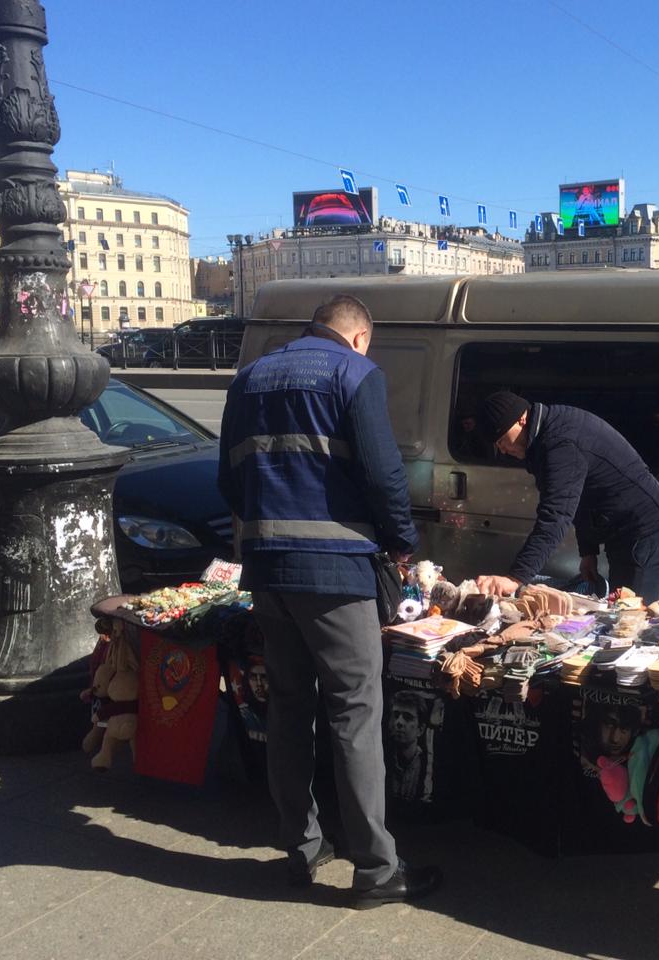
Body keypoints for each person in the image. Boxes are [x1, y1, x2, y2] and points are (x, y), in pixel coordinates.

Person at [218, 293, 440, 904]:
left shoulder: (249, 379)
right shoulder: (354, 373)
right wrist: (401, 544)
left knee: (288, 706)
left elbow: (228, 479)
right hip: (336, 573)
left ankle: (302, 846)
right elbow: (383, 471)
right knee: (354, 712)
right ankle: (376, 869)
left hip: (266, 571)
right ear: (359, 335)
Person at [472, 391, 659, 603]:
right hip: (622, 533)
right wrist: (588, 552)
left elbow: (556, 517)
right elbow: (582, 499)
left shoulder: (560, 443)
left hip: (648, 532)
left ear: (521, 419)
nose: (503, 449)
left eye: (501, 440)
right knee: (619, 611)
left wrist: (515, 578)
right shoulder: (545, 437)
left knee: (630, 617)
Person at [385, 690, 431, 803]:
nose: (399, 722)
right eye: (396, 715)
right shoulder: (382, 759)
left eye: (407, 717)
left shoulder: (427, 765)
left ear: (420, 729)